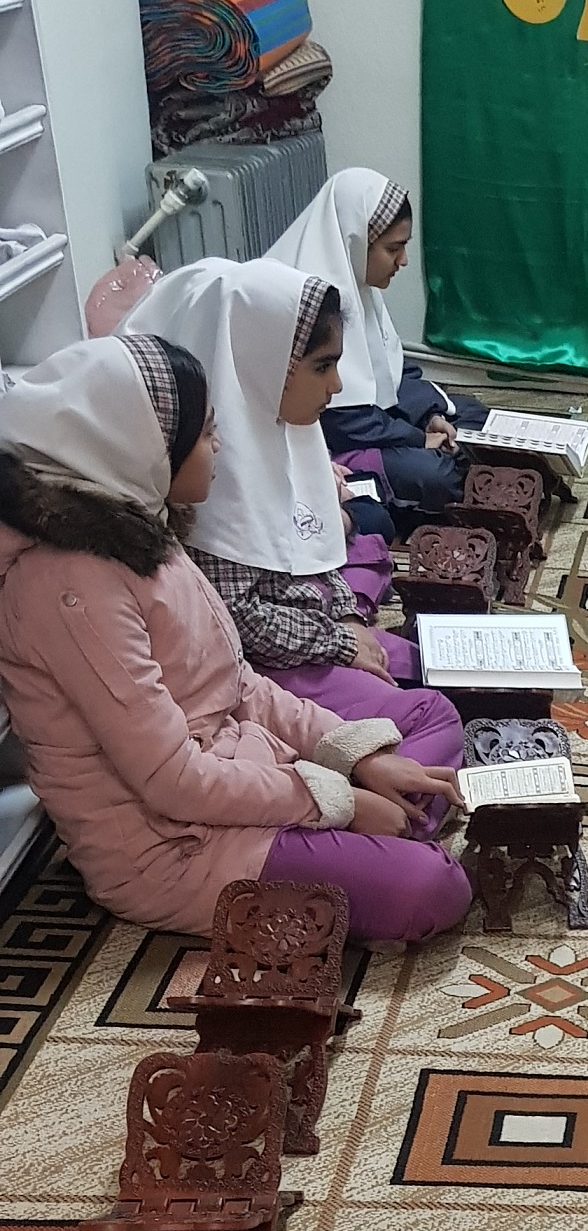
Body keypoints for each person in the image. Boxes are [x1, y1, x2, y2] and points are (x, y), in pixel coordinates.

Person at [0, 334, 467, 943]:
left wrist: (359, 759)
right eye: (204, 434)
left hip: (227, 783)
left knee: (421, 743)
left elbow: (236, 682)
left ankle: (388, 829)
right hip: (167, 850)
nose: (219, 445)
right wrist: (341, 802)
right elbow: (172, 780)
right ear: (142, 446)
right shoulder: (72, 585)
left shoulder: (136, 527)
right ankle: (390, 837)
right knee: (432, 887)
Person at [125, 262, 458, 798]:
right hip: (270, 668)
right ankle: (369, 809)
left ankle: (377, 793)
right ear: (264, 362)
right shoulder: (206, 475)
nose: (337, 385)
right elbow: (238, 622)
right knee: (431, 712)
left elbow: (316, 548)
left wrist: (346, 618)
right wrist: (339, 641)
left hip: (308, 631)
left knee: (431, 664)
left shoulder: (282, 429)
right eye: (323, 366)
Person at [267, 170, 488, 515]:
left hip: (371, 422)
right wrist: (418, 438)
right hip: (333, 440)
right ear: (356, 241)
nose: (404, 261)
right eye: (393, 249)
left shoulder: (356, 283)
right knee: (437, 474)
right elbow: (341, 420)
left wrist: (429, 416)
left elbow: (390, 367)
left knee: (475, 419)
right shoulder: (308, 303)